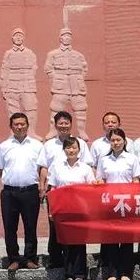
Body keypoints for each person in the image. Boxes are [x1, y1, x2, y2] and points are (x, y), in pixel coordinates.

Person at [37, 111, 94, 270]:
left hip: (78, 199)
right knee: (55, 227)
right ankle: (56, 260)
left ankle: (76, 268)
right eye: (60, 123)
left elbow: (88, 167)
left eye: (66, 123)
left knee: (76, 231)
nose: (63, 126)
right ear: (55, 125)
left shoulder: (81, 143)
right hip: (56, 192)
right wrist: (42, 187)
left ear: (71, 124)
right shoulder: (49, 145)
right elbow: (44, 167)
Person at [0, 112, 44, 271]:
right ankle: (13, 258)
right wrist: (12, 179)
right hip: (9, 193)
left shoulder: (37, 145)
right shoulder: (4, 146)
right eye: (16, 124)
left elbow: (42, 167)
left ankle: (29, 258)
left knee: (30, 227)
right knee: (10, 227)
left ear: (27, 125)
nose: (19, 127)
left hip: (30, 192)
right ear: (11, 127)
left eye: (22, 124)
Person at [46, 137, 96, 280]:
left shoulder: (85, 168)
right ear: (64, 150)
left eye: (74, 147)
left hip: (80, 210)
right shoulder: (57, 167)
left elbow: (91, 189)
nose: (71, 150)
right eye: (68, 148)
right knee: (66, 243)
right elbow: (53, 189)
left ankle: (80, 274)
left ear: (79, 150)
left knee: (79, 243)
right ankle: (68, 274)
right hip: (63, 210)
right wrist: (51, 210)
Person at [95, 127, 140, 280]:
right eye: (113, 140)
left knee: (127, 240)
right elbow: (100, 180)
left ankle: (126, 272)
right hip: (110, 205)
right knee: (111, 240)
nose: (116, 143)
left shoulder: (132, 158)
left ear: (124, 141)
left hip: (127, 204)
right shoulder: (104, 160)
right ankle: (112, 272)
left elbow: (136, 181)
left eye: (118, 140)